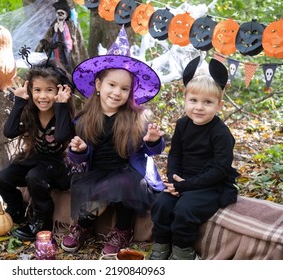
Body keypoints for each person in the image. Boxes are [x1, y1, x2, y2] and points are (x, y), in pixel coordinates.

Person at [60, 26, 165, 255]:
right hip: (98, 170)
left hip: (127, 170)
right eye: (112, 85)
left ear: (131, 92)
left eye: (124, 88)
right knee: (82, 181)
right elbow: (81, 154)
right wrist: (79, 150)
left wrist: (153, 140)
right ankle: (84, 226)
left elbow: (151, 150)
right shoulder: (85, 119)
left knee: (128, 183)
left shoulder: (138, 117)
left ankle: (123, 229)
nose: (117, 92)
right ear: (98, 85)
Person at [148, 56, 240, 260]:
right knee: (162, 204)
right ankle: (161, 245)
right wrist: (173, 179)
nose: (199, 107)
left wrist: (185, 186)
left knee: (185, 209)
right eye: (193, 100)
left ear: (219, 104)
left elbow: (219, 170)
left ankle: (182, 251)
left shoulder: (221, 133)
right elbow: (175, 154)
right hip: (183, 180)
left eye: (207, 102)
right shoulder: (183, 124)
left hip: (210, 185)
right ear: (185, 100)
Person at [0, 57, 75, 241]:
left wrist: (61, 105)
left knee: (35, 176)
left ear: (59, 91)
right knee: (2, 177)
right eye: (37, 90)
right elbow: (9, 131)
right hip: (36, 159)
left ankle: (42, 221)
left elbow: (61, 137)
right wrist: (19, 102)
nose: (43, 96)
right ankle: (18, 211)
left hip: (59, 166)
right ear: (31, 91)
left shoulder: (64, 114)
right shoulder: (31, 112)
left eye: (49, 90)